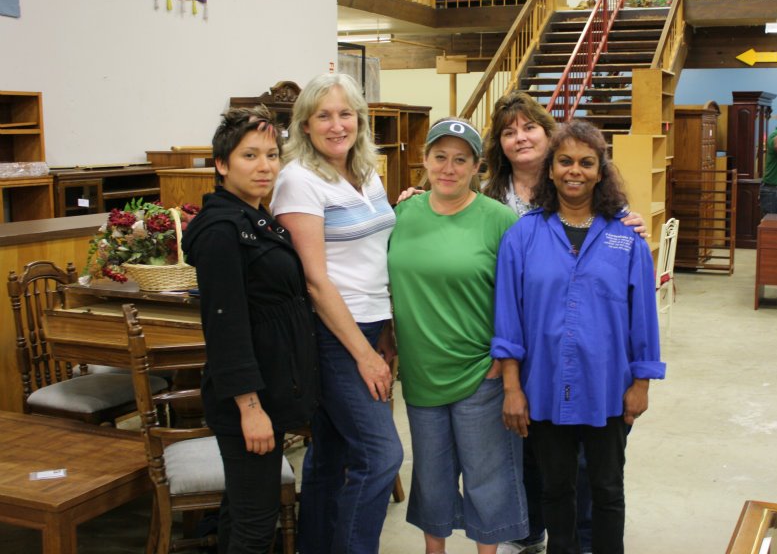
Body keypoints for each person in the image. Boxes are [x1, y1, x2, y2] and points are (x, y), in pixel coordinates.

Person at [492, 120, 666, 554]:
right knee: (556, 490)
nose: (575, 171)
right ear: (550, 169)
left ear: (601, 170)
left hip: (608, 388)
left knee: (607, 490)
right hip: (544, 389)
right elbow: (508, 320)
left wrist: (641, 383)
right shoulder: (522, 236)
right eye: (565, 161)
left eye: (587, 163)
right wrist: (512, 388)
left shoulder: (626, 239)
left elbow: (643, 319)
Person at [271, 73, 402, 554]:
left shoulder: (367, 172)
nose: (336, 124)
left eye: (345, 113)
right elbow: (314, 281)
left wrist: (384, 332)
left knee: (330, 453)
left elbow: (375, 258)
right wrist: (363, 355)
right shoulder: (298, 181)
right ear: (304, 125)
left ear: (360, 120)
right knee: (381, 454)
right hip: (333, 334)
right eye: (323, 115)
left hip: (370, 325)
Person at [388, 117, 528, 554]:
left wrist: (503, 366)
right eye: (440, 157)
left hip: (478, 372)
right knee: (431, 475)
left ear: (476, 167)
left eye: (460, 160)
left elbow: (520, 298)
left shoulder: (499, 219)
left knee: (488, 476)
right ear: (425, 161)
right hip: (421, 370)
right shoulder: (402, 213)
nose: (449, 168)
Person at [182, 106, 319, 554]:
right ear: (221, 165)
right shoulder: (222, 230)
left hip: (272, 389)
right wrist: (249, 406)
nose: (264, 167)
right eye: (249, 156)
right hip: (247, 400)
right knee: (256, 525)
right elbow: (226, 327)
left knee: (241, 512)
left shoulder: (254, 217)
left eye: (271, 155)